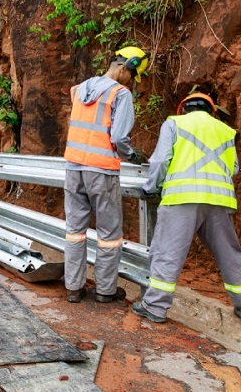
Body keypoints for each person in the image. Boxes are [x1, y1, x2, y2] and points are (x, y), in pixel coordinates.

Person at [132, 93, 241, 323]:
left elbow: (161, 160)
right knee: (230, 254)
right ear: (211, 111)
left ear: (184, 109)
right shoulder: (225, 131)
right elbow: (233, 169)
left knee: (167, 252)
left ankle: (154, 307)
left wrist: (151, 188)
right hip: (219, 201)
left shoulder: (174, 123)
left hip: (182, 198)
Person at [63, 46, 149, 304]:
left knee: (75, 231)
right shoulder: (120, 94)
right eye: (133, 76)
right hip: (101, 170)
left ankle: (73, 288)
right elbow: (119, 138)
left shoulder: (80, 89)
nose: (132, 83)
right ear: (125, 67)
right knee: (109, 234)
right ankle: (105, 290)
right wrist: (132, 156)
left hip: (74, 168)